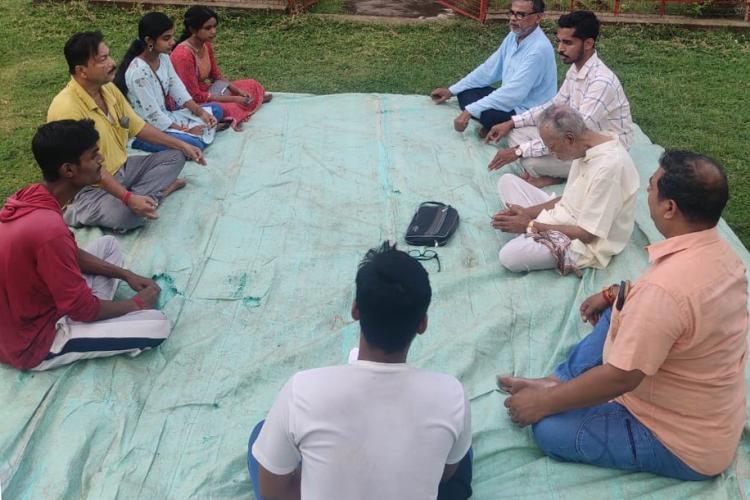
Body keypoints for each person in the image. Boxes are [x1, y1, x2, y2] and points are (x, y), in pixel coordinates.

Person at [500, 150, 747, 480]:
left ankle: (554, 392)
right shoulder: (725, 257)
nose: (647, 191)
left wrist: (543, 405)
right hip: (704, 409)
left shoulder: (664, 291)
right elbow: (678, 311)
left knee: (548, 428)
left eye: (652, 186)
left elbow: (621, 377)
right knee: (622, 306)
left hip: (680, 442)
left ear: (670, 207)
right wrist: (612, 294)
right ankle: (558, 381)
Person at [248, 242, 473, 500]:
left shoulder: (302, 391)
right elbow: (445, 474)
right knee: (459, 447)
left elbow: (272, 493)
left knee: (262, 435)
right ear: (422, 323)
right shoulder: (451, 396)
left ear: (355, 309)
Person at [0, 120, 171, 371]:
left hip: (29, 309)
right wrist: (137, 304)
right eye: (93, 155)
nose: (101, 159)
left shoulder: (33, 194)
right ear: (69, 170)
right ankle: (87, 325)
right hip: (32, 341)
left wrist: (126, 274)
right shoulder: (49, 229)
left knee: (108, 245)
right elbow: (83, 308)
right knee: (158, 324)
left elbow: (71, 255)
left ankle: (95, 319)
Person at [48, 31, 207, 232]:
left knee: (176, 157)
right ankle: (77, 211)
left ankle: (143, 197)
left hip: (123, 169)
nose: (112, 63)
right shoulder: (66, 108)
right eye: (103, 59)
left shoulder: (108, 90)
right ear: (82, 71)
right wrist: (128, 198)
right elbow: (85, 167)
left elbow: (137, 126)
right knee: (131, 217)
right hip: (88, 186)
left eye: (109, 56)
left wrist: (183, 145)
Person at [486, 11, 633, 187]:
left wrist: (519, 151)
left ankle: (556, 176)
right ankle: (557, 171)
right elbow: (553, 106)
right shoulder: (576, 69)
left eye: (567, 43)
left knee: (530, 161)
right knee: (516, 133)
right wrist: (511, 122)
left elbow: (578, 134)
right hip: (573, 137)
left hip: (598, 150)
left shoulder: (602, 82)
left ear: (588, 43)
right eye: (559, 41)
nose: (560, 49)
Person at [492, 104, 638, 274]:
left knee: (509, 256)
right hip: (563, 216)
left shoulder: (609, 168)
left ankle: (531, 238)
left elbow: (588, 235)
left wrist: (529, 225)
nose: (552, 154)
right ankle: (532, 237)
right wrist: (526, 212)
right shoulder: (586, 146)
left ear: (569, 139)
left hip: (582, 243)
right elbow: (566, 199)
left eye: (552, 147)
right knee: (507, 181)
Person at [431, 0, 556, 137]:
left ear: (538, 17)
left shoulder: (539, 50)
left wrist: (469, 111)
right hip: (509, 101)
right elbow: (489, 69)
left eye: (521, 15)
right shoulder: (513, 36)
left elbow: (513, 93)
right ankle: (490, 124)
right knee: (465, 93)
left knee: (488, 115)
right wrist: (451, 90)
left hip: (527, 111)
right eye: (512, 13)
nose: (513, 19)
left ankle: (496, 125)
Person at [114, 12, 224, 153]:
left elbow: (177, 89)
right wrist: (187, 131)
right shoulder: (139, 72)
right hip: (149, 131)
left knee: (215, 110)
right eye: (166, 38)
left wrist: (200, 112)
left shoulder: (164, 58)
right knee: (195, 144)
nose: (172, 42)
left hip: (167, 117)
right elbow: (153, 116)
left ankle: (202, 131)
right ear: (149, 41)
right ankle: (199, 134)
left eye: (172, 36)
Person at [170, 6, 271, 128]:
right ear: (193, 29)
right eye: (208, 28)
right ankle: (246, 106)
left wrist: (238, 91)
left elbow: (216, 76)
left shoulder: (206, 44)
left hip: (206, 90)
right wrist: (234, 99)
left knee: (251, 84)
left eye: (214, 26)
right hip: (189, 102)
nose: (213, 31)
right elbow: (193, 95)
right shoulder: (183, 55)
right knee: (225, 108)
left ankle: (248, 103)